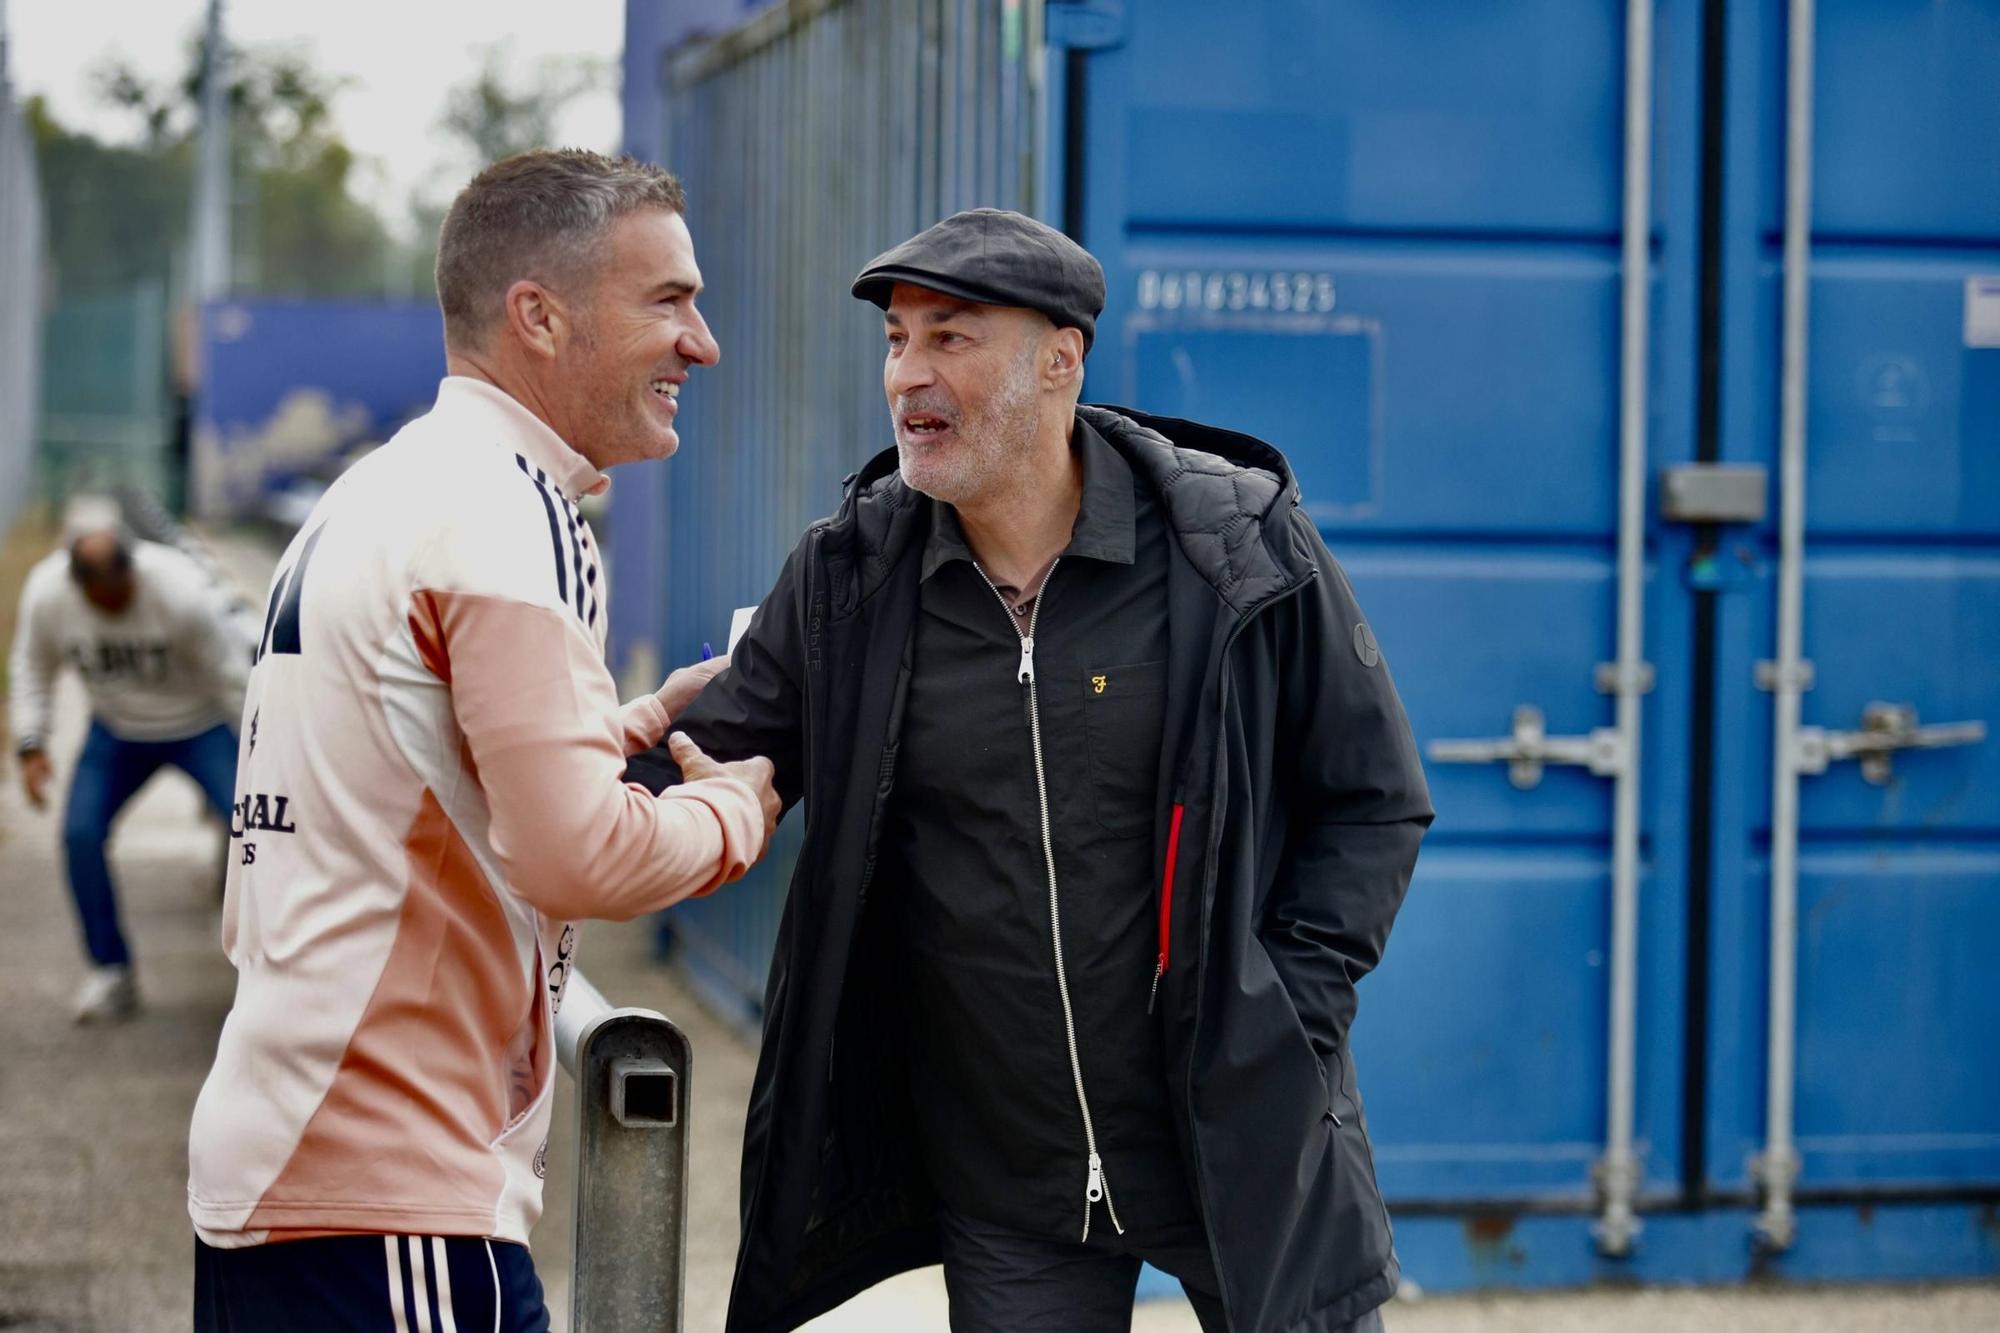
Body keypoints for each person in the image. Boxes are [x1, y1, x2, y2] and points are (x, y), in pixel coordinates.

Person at [628, 209, 1434, 1333]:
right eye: (896, 340)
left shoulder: (1232, 547)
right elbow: (689, 771)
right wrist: (537, 768)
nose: (907, 373)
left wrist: (1289, 1009)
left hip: (1244, 1134)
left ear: (1061, 358)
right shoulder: (851, 580)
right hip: (1010, 1178)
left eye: (950, 337)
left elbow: (1370, 798)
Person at [185, 149, 781, 1332]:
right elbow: (575, 860)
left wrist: (621, 732)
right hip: (385, 1188)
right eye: (668, 300)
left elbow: (409, 771)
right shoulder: (517, 510)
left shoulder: (389, 488)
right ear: (541, 317)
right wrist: (739, 810)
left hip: (304, 1164)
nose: (701, 343)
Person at [7, 495, 252, 1022]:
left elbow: (235, 683)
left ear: (132, 570)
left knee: (252, 828)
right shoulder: (50, 596)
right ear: (81, 588)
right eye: (105, 601)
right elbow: (31, 669)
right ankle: (110, 971)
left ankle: (260, 964)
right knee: (78, 834)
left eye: (124, 594)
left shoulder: (179, 592)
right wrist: (30, 745)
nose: (118, 605)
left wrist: (266, 759)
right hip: (116, 729)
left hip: (200, 723)